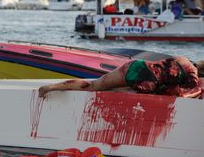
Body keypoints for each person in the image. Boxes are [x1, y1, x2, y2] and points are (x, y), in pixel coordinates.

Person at [39, 57, 203, 99]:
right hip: (145, 82)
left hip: (136, 66)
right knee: (121, 92)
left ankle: (51, 87)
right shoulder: (193, 77)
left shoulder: (183, 59)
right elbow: (183, 94)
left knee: (94, 85)